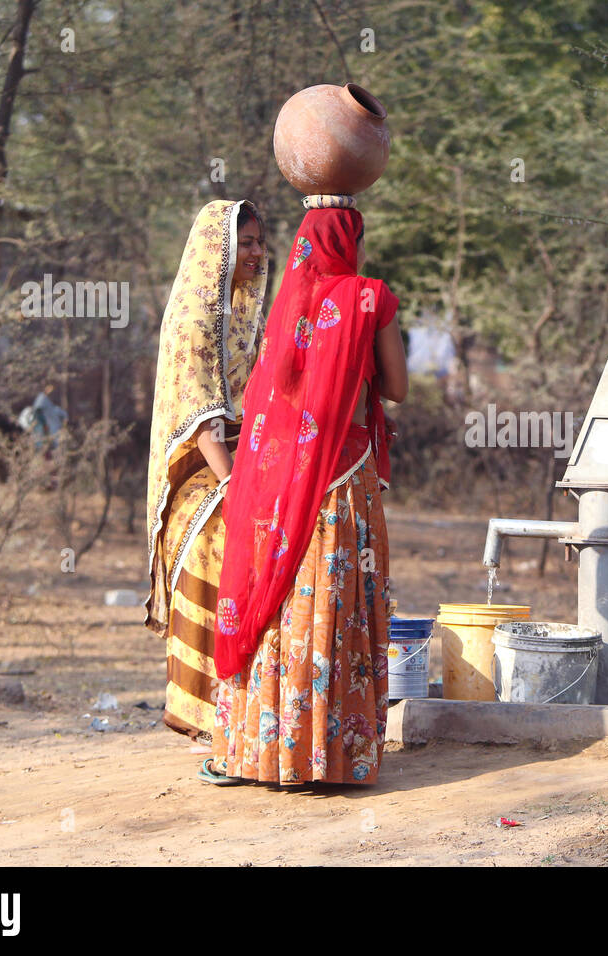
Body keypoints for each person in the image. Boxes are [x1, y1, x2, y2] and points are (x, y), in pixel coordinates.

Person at [207, 206, 407, 786]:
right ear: (353, 244)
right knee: (337, 602)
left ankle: (263, 751)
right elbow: (396, 389)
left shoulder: (288, 305)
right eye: (363, 241)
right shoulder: (369, 298)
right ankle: (328, 755)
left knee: (280, 600)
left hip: (283, 482)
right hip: (342, 480)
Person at [145, 200, 267, 743]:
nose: (258, 252)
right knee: (223, 532)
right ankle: (204, 713)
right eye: (246, 243)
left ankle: (247, 705)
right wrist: (236, 489)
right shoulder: (196, 321)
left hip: (240, 459)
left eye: (261, 242)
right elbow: (202, 422)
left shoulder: (242, 317)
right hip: (202, 471)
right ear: (219, 250)